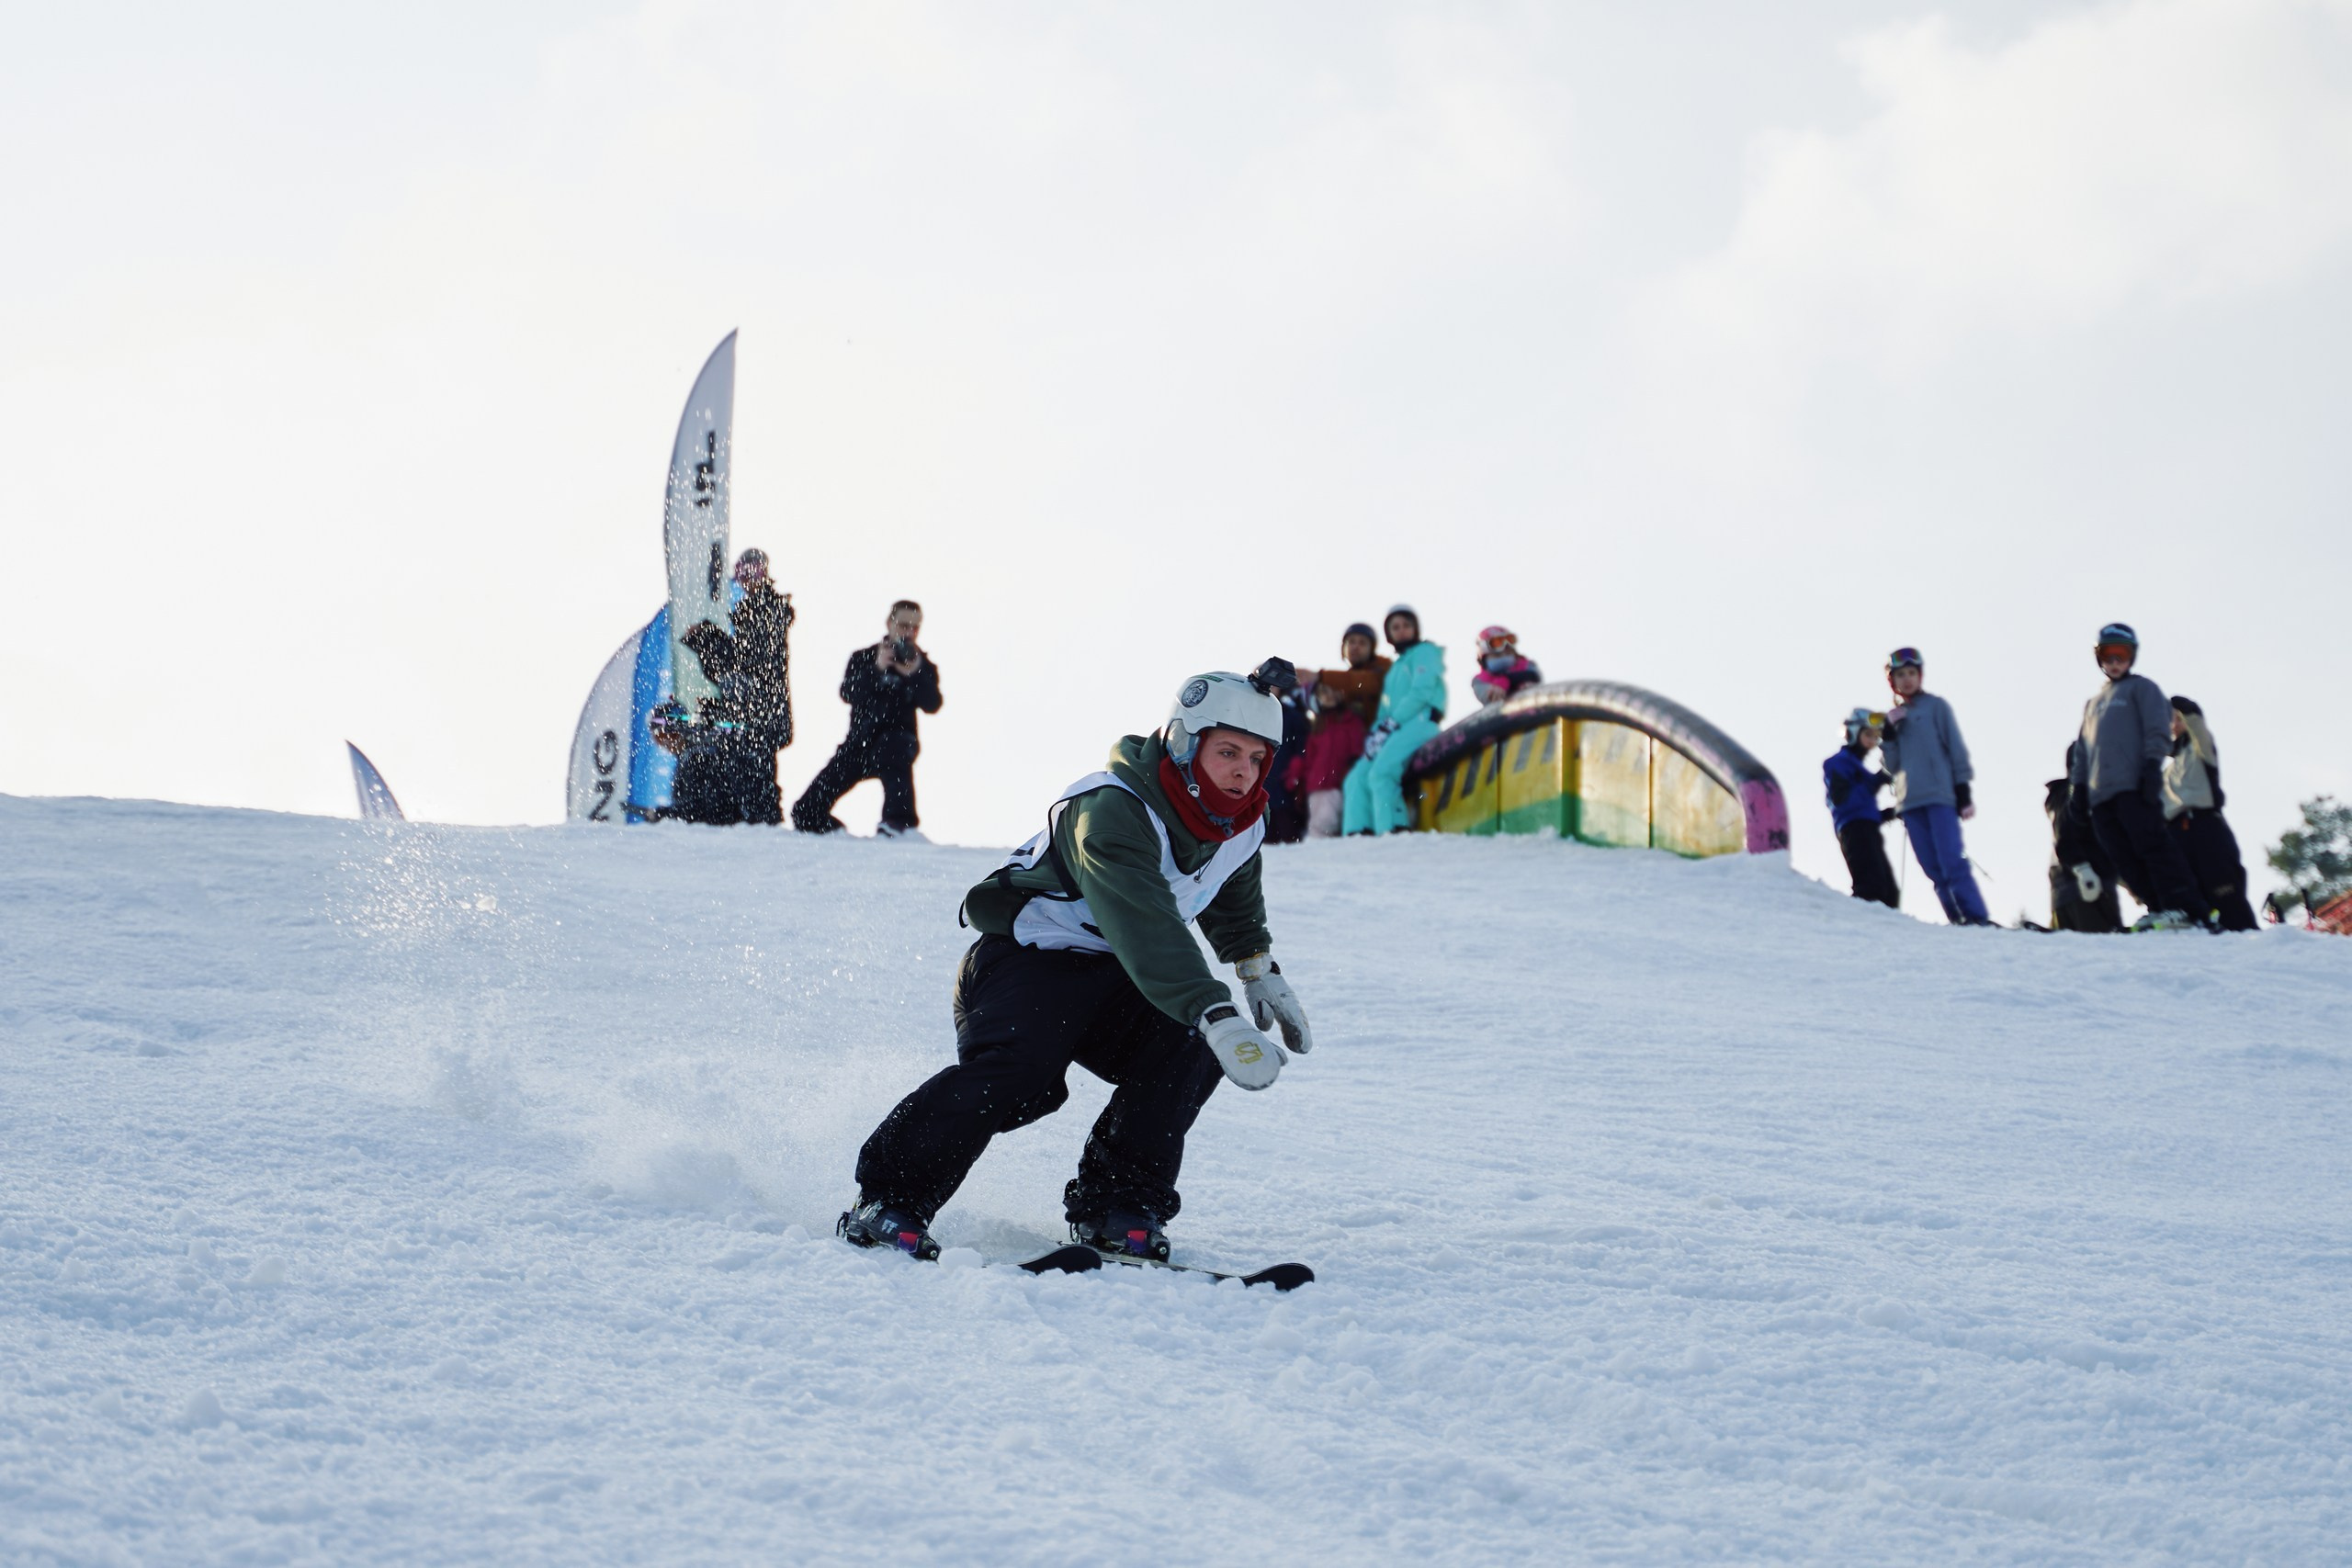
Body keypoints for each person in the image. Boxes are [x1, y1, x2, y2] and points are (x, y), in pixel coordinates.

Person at [838, 661, 1314, 1263]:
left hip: (1115, 977)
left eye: (1255, 758)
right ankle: (888, 1201)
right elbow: (1147, 924)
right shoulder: (1112, 808)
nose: (1243, 771)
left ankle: (1115, 1207)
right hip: (1023, 961)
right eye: (1227, 752)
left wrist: (1256, 967)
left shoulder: (1239, 822)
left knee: (1189, 1046)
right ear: (1184, 743)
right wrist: (1215, 1009)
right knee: (1023, 1075)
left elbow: (1230, 892)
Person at [2067, 623, 2203, 931]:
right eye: (2107, 655)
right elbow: (2084, 752)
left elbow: (2157, 730)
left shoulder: (2143, 688)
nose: (2115, 662)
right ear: (2098, 658)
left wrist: (2151, 769)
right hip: (2101, 795)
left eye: (2122, 654)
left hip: (2134, 786)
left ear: (2132, 657)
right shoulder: (2093, 704)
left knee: (2151, 845)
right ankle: (2157, 906)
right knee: (2121, 856)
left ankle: (2182, 906)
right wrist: (2078, 791)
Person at [791, 600, 942, 839]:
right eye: (903, 625)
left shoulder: (922, 666)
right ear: (889, 623)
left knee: (894, 750)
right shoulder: (864, 657)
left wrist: (913, 674)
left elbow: (933, 704)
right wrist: (878, 668)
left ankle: (899, 825)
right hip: (859, 742)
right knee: (804, 812)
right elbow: (848, 692)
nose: (908, 633)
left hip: (897, 741)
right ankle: (839, 840)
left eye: (914, 628)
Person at [670, 549, 795, 824]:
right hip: (748, 719)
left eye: (754, 572)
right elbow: (732, 669)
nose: (747, 578)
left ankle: (757, 825)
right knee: (728, 775)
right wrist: (707, 640)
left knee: (752, 785)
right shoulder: (753, 610)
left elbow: (744, 665)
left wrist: (707, 638)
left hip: (757, 720)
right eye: (743, 572)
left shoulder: (766, 609)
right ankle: (724, 818)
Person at [1876, 646, 1991, 926]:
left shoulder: (1936, 707)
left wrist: (1962, 789)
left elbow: (1956, 749)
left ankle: (1976, 917)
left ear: (1920, 675)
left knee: (1951, 860)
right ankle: (1957, 918)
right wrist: (1888, 737)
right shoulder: (1894, 719)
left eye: (1912, 674)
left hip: (1940, 796)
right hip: (1911, 802)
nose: (1907, 680)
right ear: (1893, 682)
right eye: (1901, 675)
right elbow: (1891, 767)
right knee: (1932, 867)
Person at [1341, 605, 1446, 835]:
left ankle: (1393, 828)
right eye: (1395, 627)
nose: (1401, 631)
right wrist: (1378, 732)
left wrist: (1392, 723)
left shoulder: (1424, 653)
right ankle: (1359, 832)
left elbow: (1422, 691)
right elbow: (1385, 710)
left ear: (1415, 628)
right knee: (1356, 778)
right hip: (1396, 728)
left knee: (1382, 772)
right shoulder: (1396, 667)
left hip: (1420, 722)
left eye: (1406, 625)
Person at [2163, 695, 2258, 931]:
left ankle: (2246, 937)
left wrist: (2179, 707)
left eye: (2178, 718)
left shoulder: (2201, 749)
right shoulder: (2166, 771)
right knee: (2191, 898)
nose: (2175, 724)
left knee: (2224, 891)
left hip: (2205, 827)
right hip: (2176, 834)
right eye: (2170, 720)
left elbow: (2197, 725)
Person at [1288, 623, 1386, 839]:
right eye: (1351, 642)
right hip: (1322, 782)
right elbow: (1310, 755)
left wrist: (1320, 677)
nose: (1356, 647)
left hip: (1364, 764)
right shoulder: (1321, 725)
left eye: (1362, 643)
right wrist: (1298, 776)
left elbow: (1365, 683)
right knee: (1323, 821)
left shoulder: (1379, 670)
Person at [1823, 707, 1899, 908]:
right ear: (1853, 733)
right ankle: (1857, 923)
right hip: (1853, 829)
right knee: (1870, 885)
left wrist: (1889, 812)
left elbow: (1863, 805)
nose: (1873, 740)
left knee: (1889, 891)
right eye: (1868, 734)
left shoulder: (1859, 769)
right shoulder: (1837, 763)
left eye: (1876, 736)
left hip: (1866, 827)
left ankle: (1889, 929)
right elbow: (1843, 801)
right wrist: (1876, 780)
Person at [2043, 741, 2123, 933]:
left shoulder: (2062, 796)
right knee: (2102, 955)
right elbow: (2065, 839)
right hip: (2088, 888)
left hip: (2064, 889)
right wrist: (2082, 868)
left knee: (2077, 957)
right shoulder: (2079, 795)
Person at [1469, 626, 1543, 706]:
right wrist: (1512, 683)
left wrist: (1504, 682)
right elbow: (1489, 697)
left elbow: (1533, 676)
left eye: (1508, 654)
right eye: (1497, 655)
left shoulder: (1528, 666)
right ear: (1484, 658)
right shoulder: (1479, 681)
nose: (1505, 658)